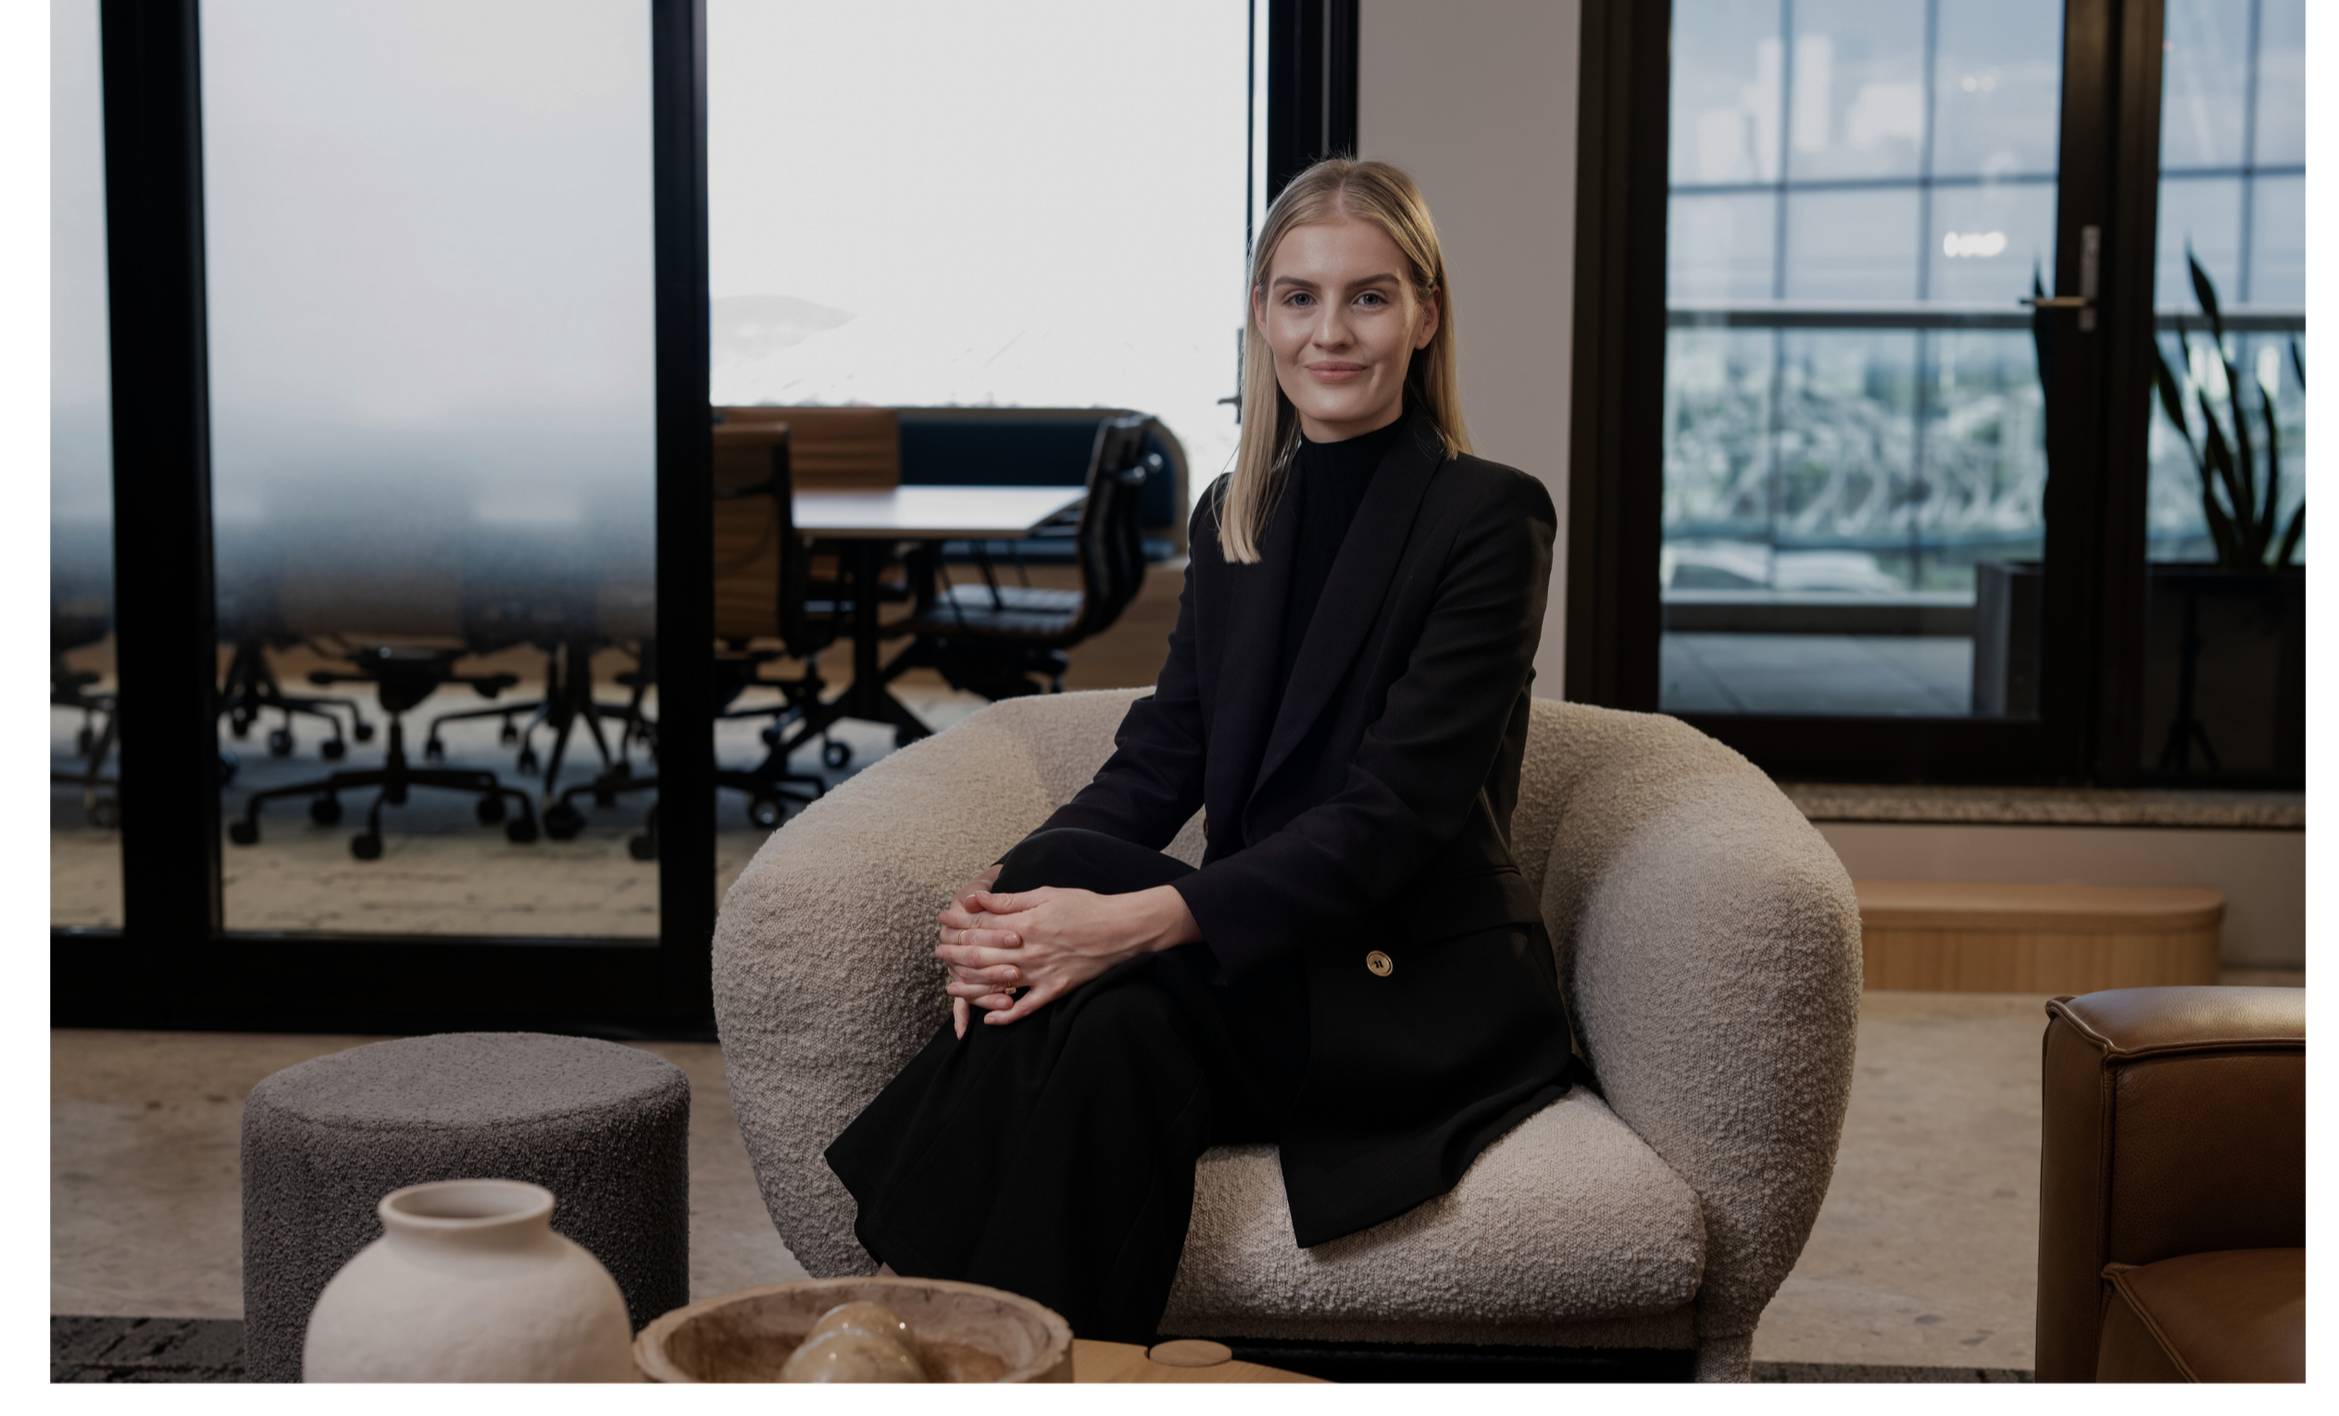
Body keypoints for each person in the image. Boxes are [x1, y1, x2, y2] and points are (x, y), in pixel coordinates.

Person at [825, 157, 1578, 1342]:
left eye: (1368, 297)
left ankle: (880, 1326)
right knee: (1104, 1027)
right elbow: (1159, 756)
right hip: (1257, 960)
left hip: (1405, 981)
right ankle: (1015, 1358)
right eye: (1297, 297)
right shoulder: (1237, 508)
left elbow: (1394, 813)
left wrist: (1122, 922)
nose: (1329, 332)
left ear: (1425, 316)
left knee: (1094, 964)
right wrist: (1009, 898)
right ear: (1260, 314)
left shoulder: (1487, 515)